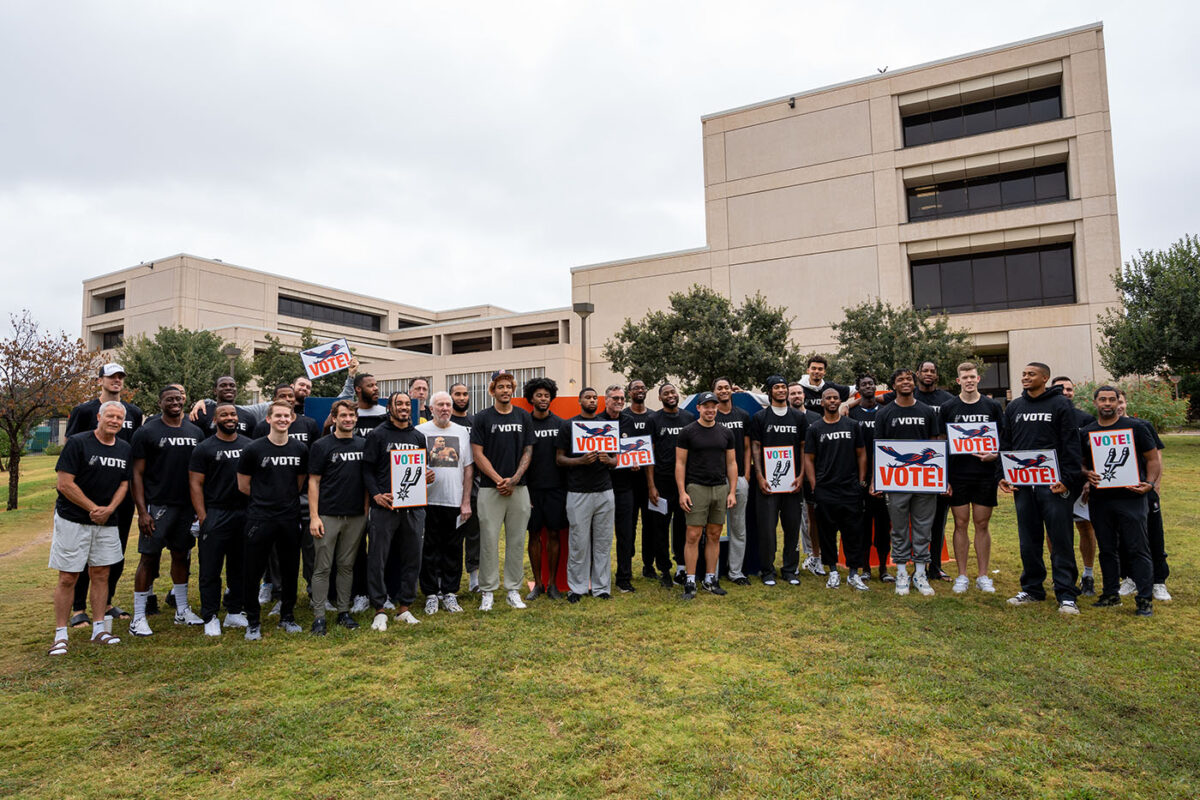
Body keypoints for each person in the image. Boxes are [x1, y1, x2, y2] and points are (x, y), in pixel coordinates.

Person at [48, 401, 132, 654]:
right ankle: (61, 635)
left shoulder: (125, 448)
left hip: (107, 522)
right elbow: (64, 484)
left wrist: (108, 510)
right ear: (99, 416)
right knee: (68, 576)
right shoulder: (78, 442)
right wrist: (93, 508)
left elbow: (124, 485)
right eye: (110, 416)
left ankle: (99, 629)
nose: (114, 421)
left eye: (119, 417)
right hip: (73, 519)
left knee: (101, 574)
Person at [1000, 362, 1083, 614]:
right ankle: (1033, 588)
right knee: (1029, 540)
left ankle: (1066, 594)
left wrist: (1068, 479)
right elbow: (1006, 443)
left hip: (1054, 485)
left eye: (1031, 374)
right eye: (1024, 374)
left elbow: (1071, 443)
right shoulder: (1014, 407)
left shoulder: (1060, 405)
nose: (1025, 377)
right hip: (1023, 486)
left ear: (1044, 378)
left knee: (1060, 540)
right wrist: (1003, 475)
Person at [64, 363, 143, 626]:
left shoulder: (134, 412)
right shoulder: (84, 411)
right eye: (111, 377)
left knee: (114, 552)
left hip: (120, 493)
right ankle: (78, 609)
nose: (117, 381)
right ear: (100, 380)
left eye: (121, 377)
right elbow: (71, 451)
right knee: (82, 554)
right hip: (86, 494)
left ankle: (107, 602)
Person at [128, 386, 205, 636]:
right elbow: (136, 474)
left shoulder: (195, 432)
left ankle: (181, 610)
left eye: (179, 398)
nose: (175, 402)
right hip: (157, 505)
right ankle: (138, 617)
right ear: (160, 402)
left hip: (186, 506)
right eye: (169, 399)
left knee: (181, 555)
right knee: (149, 558)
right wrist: (142, 511)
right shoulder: (147, 431)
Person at [1080, 386, 1159, 617]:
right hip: (1101, 499)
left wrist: (1151, 484)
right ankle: (1110, 594)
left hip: (1131, 497)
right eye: (1102, 399)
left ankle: (1144, 599)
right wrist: (1087, 474)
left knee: (1137, 548)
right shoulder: (1086, 431)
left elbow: (1153, 459)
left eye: (1111, 400)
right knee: (1106, 548)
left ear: (1118, 403)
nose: (1107, 403)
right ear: (1094, 403)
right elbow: (1082, 462)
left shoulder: (1137, 428)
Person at [237, 401, 309, 640]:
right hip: (260, 517)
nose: (282, 419)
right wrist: (265, 499)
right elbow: (243, 485)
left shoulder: (299, 449)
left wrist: (282, 500)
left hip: (289, 517)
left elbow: (299, 483)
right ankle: (253, 622)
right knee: (253, 569)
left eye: (286, 416)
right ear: (268, 419)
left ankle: (287, 616)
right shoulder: (253, 449)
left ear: (292, 419)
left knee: (290, 569)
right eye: (277, 415)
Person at [361, 392, 430, 629]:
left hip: (413, 507)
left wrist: (427, 475)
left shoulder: (418, 436)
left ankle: (405, 608)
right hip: (385, 506)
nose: (402, 407)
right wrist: (376, 495)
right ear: (389, 408)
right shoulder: (377, 435)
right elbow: (367, 470)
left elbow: (421, 468)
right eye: (397, 403)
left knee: (413, 556)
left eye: (405, 404)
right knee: (378, 557)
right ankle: (379, 608)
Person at [872, 368, 942, 597]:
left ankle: (920, 573)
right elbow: (879, 447)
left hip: (924, 481)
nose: (905, 382)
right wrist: (875, 478)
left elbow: (935, 443)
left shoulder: (927, 411)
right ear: (893, 385)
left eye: (908, 379)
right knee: (899, 528)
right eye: (900, 379)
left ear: (914, 383)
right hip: (895, 481)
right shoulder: (884, 413)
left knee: (923, 527)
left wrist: (942, 478)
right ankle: (901, 572)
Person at [470, 371, 534, 612]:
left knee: (516, 540)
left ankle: (513, 590)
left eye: (509, 387)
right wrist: (499, 480)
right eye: (501, 387)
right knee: (488, 541)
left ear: (513, 390)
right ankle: (487, 590)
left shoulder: (523, 416)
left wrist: (515, 478)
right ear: (493, 391)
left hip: (519, 487)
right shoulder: (482, 418)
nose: (505, 390)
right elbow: (477, 454)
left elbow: (528, 450)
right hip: (490, 488)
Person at [187, 402, 252, 636]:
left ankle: (234, 612)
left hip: (244, 513)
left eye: (233, 414)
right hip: (215, 512)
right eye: (224, 414)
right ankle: (211, 616)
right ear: (215, 420)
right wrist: (203, 516)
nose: (229, 417)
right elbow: (195, 484)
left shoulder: (249, 445)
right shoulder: (204, 448)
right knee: (210, 568)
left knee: (240, 566)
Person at [941, 362, 1004, 594]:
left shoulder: (992, 406)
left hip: (984, 475)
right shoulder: (948, 407)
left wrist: (994, 456)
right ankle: (962, 575)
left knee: (982, 523)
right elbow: (942, 444)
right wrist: (944, 477)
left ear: (978, 379)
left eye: (972, 377)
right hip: (958, 475)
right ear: (958, 381)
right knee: (960, 523)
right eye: (964, 377)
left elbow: (1003, 439)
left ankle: (983, 575)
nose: (969, 380)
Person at [307, 399, 369, 633]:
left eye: (352, 416)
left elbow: (366, 481)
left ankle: (344, 611)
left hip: (355, 516)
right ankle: (319, 616)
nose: (348, 419)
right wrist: (314, 516)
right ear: (334, 418)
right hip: (328, 515)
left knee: (346, 565)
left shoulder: (364, 444)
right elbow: (313, 482)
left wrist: (365, 511)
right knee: (323, 567)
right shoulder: (322, 446)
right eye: (343, 415)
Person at [556, 387, 618, 602]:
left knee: (602, 542)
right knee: (578, 542)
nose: (591, 401)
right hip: (578, 492)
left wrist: (609, 460)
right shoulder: (568, 425)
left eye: (594, 398)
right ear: (579, 401)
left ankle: (602, 588)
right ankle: (577, 588)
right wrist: (580, 461)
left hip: (605, 491)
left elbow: (616, 459)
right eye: (587, 398)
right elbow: (559, 459)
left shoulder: (607, 427)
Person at [804, 386, 869, 590]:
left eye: (835, 398)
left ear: (840, 401)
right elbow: (809, 459)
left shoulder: (852, 425)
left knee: (853, 532)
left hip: (850, 488)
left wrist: (860, 481)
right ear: (822, 403)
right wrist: (814, 485)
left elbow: (861, 454)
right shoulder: (814, 428)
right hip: (825, 489)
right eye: (828, 398)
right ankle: (832, 571)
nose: (832, 401)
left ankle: (853, 573)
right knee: (827, 533)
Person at [675, 391, 737, 600]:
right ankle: (690, 581)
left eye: (713, 406)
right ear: (698, 408)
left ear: (717, 408)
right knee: (692, 535)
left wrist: (732, 491)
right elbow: (680, 463)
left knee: (714, 535)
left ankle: (710, 579)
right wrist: (682, 492)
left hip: (720, 488)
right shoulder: (687, 432)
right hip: (696, 488)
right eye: (706, 406)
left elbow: (731, 463)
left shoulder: (726, 433)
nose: (710, 410)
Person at [416, 392, 473, 615]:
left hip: (454, 501)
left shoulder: (461, 433)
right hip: (427, 501)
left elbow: (468, 468)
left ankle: (450, 593)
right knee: (429, 549)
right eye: (440, 405)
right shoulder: (420, 432)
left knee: (453, 549)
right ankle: (430, 594)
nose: (445, 409)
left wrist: (466, 500)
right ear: (431, 409)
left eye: (448, 405)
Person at [749, 375, 808, 586]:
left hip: (793, 484)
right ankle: (767, 570)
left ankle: (790, 569)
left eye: (784, 387)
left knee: (792, 528)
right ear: (770, 391)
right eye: (777, 387)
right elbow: (755, 446)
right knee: (767, 529)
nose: (782, 390)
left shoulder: (798, 418)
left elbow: (803, 448)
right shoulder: (759, 417)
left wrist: (801, 476)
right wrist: (759, 475)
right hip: (767, 483)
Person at [1115, 389, 1171, 602]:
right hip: (1118, 494)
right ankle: (1130, 577)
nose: (1117, 406)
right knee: (1122, 538)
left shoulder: (1142, 426)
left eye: (1120, 401)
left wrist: (1154, 485)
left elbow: (1156, 457)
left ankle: (1158, 581)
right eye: (1111, 401)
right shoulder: (1104, 428)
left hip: (1144, 491)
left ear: (1125, 403)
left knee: (1153, 535)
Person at [1051, 376, 1099, 596]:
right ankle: (1059, 575)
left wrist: (1090, 479)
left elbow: (1094, 453)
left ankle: (1088, 575)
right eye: (1060, 389)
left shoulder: (1086, 418)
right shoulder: (1047, 417)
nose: (1066, 392)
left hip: (1080, 484)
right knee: (1054, 532)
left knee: (1085, 528)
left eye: (1069, 389)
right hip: (1053, 482)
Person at [645, 383, 695, 587]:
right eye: (666, 393)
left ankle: (682, 568)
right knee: (660, 527)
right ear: (660, 398)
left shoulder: (689, 418)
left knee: (683, 525)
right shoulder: (653, 419)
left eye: (673, 392)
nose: (671, 395)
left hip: (685, 482)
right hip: (662, 481)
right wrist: (651, 485)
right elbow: (648, 455)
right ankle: (664, 569)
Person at [524, 377, 566, 601]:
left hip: (556, 488)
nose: (543, 399)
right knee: (533, 535)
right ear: (531, 398)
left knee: (553, 534)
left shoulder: (561, 424)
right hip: (530, 490)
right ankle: (537, 584)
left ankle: (552, 585)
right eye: (539, 395)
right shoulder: (524, 423)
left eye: (546, 395)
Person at [848, 374, 892, 582]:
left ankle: (884, 568)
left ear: (876, 387)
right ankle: (865, 568)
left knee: (884, 525)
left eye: (871, 383)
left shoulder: (885, 412)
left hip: (885, 477)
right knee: (862, 526)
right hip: (860, 479)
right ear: (858, 388)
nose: (868, 386)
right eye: (864, 384)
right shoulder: (851, 413)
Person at [713, 377, 751, 585]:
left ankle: (736, 572)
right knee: (714, 527)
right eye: (719, 388)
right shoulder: (710, 415)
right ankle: (713, 571)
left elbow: (746, 448)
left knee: (738, 527)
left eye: (726, 387)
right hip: (715, 479)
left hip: (739, 478)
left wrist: (746, 474)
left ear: (731, 391)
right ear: (714, 392)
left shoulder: (743, 415)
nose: (723, 391)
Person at [602, 385, 638, 593]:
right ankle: (600, 577)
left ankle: (624, 577)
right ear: (606, 400)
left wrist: (635, 461)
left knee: (626, 534)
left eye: (622, 398)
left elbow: (634, 449)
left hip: (625, 487)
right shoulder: (597, 421)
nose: (619, 401)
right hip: (601, 486)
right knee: (602, 535)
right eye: (615, 398)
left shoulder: (629, 422)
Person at [620, 379, 655, 581]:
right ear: (629, 392)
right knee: (628, 525)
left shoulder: (653, 416)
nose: (640, 391)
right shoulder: (623, 416)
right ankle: (627, 564)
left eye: (643, 388)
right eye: (636, 388)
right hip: (627, 479)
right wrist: (628, 460)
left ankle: (648, 565)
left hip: (650, 479)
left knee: (650, 524)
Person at [449, 381, 482, 593]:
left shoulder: (476, 421)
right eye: (457, 394)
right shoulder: (445, 420)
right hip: (450, 483)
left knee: (474, 532)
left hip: (475, 482)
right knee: (452, 535)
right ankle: (449, 578)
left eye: (465, 394)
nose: (462, 397)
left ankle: (474, 579)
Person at [788, 380, 823, 574]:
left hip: (812, 474)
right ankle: (805, 554)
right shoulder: (785, 417)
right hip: (789, 474)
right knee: (796, 517)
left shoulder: (816, 417)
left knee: (812, 516)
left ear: (804, 396)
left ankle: (815, 554)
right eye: (792, 393)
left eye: (799, 393)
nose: (796, 396)